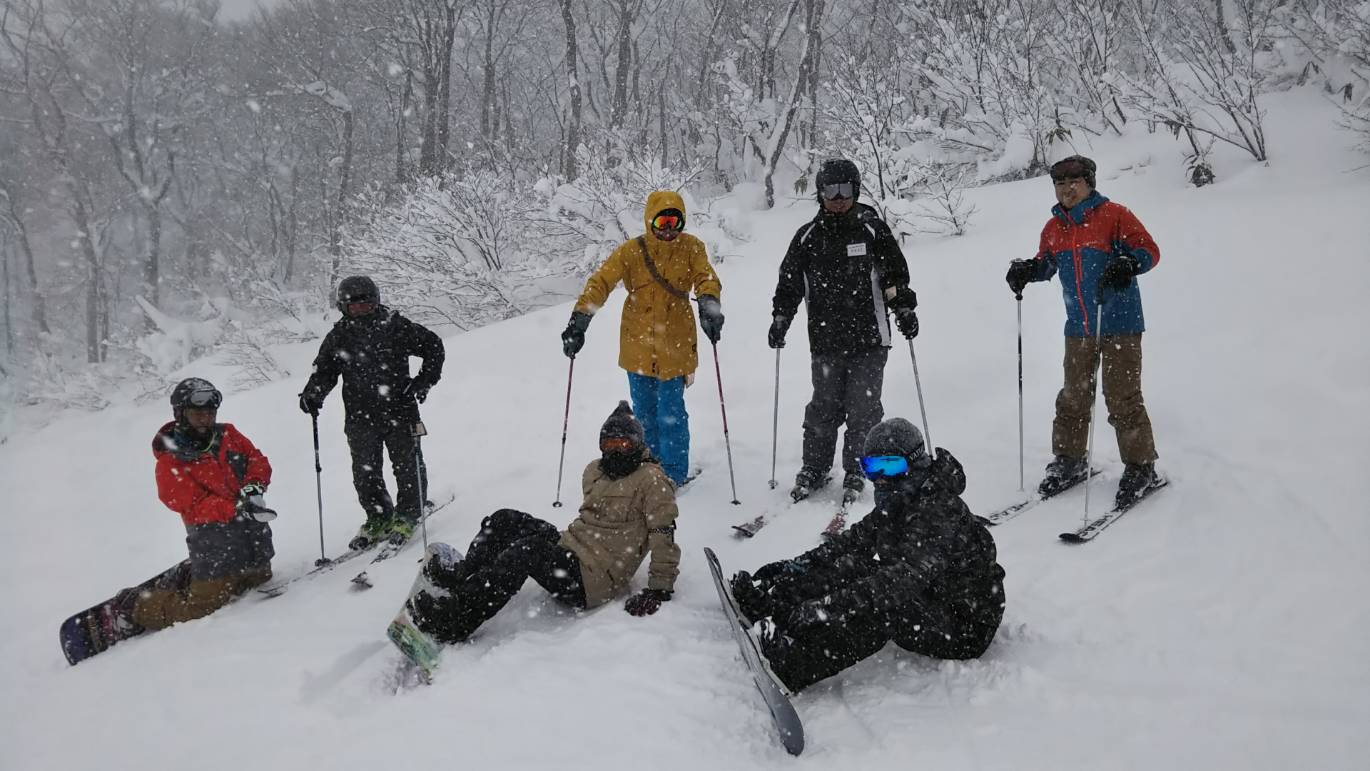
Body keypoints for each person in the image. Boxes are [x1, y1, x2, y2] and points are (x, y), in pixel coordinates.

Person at [728, 418, 1005, 693]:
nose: (882, 477)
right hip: (930, 595)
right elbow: (850, 543)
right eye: (872, 467)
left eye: (891, 465)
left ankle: (793, 666)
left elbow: (901, 581)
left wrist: (828, 606)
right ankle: (776, 607)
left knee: (883, 603)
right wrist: (795, 567)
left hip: (962, 623)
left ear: (915, 462)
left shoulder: (938, 510)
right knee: (853, 566)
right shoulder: (902, 498)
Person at [404, 401, 680, 643]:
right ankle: (464, 575)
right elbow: (591, 521)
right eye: (609, 444)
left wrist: (659, 590)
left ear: (637, 444)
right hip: (571, 547)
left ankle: (456, 620)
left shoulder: (652, 481)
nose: (616, 451)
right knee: (504, 519)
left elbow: (663, 534)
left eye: (624, 444)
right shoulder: (596, 470)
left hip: (592, 579)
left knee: (527, 552)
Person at [1005, 155, 1162, 507]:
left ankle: (1141, 466)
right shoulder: (1053, 228)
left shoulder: (1114, 215)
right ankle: (1070, 460)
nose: (1067, 189)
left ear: (1089, 182)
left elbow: (1149, 250)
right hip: (1078, 326)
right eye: (1060, 183)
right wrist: (1028, 270)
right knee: (1073, 396)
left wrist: (1129, 263)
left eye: (1074, 182)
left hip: (1119, 322)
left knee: (1122, 396)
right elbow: (1048, 263)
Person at [769, 158, 920, 504]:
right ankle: (816, 467)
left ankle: (856, 469)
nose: (838, 198)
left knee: (863, 408)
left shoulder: (872, 230)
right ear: (820, 193)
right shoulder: (807, 237)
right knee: (824, 407)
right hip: (825, 341)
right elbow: (789, 284)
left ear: (856, 190)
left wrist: (904, 309)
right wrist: (781, 318)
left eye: (846, 190)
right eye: (831, 191)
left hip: (869, 338)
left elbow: (895, 277)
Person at [561, 191, 723, 488]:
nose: (668, 228)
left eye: (675, 221)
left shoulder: (692, 248)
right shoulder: (631, 251)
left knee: (671, 414)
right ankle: (648, 467)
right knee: (644, 413)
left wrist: (709, 305)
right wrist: (579, 321)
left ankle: (672, 474)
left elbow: (705, 278)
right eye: (662, 220)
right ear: (651, 220)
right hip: (636, 347)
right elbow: (601, 282)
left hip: (675, 346)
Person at [115, 378, 277, 635]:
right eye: (197, 413)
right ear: (181, 414)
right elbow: (193, 506)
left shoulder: (228, 435)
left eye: (210, 413)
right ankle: (133, 605)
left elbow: (256, 459)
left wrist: (254, 486)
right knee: (202, 609)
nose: (205, 418)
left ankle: (190, 573)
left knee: (259, 578)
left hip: (253, 538)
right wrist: (235, 507)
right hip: (213, 544)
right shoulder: (171, 461)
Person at [299, 275, 445, 549]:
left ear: (376, 301)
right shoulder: (338, 336)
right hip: (359, 416)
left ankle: (408, 512)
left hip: (400, 411)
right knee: (365, 471)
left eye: (365, 304)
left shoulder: (395, 326)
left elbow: (434, 347)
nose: (360, 309)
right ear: (343, 307)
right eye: (354, 306)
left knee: (406, 464)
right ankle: (378, 516)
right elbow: (325, 371)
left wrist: (424, 381)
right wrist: (313, 394)